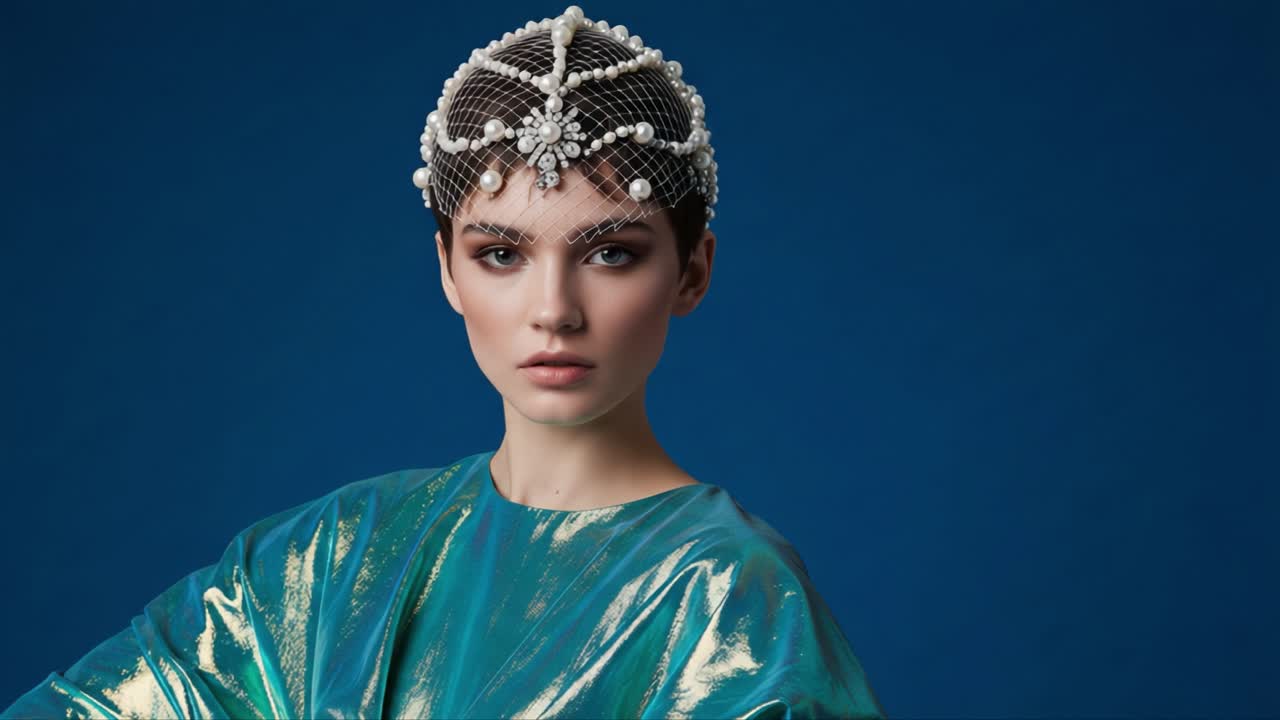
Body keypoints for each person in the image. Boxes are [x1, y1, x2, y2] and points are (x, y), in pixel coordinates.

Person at [3, 6, 885, 718]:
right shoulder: (334, 554)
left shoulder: (730, 600)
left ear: (691, 273)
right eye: (501, 254)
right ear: (448, 271)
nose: (553, 310)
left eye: (611, 252)